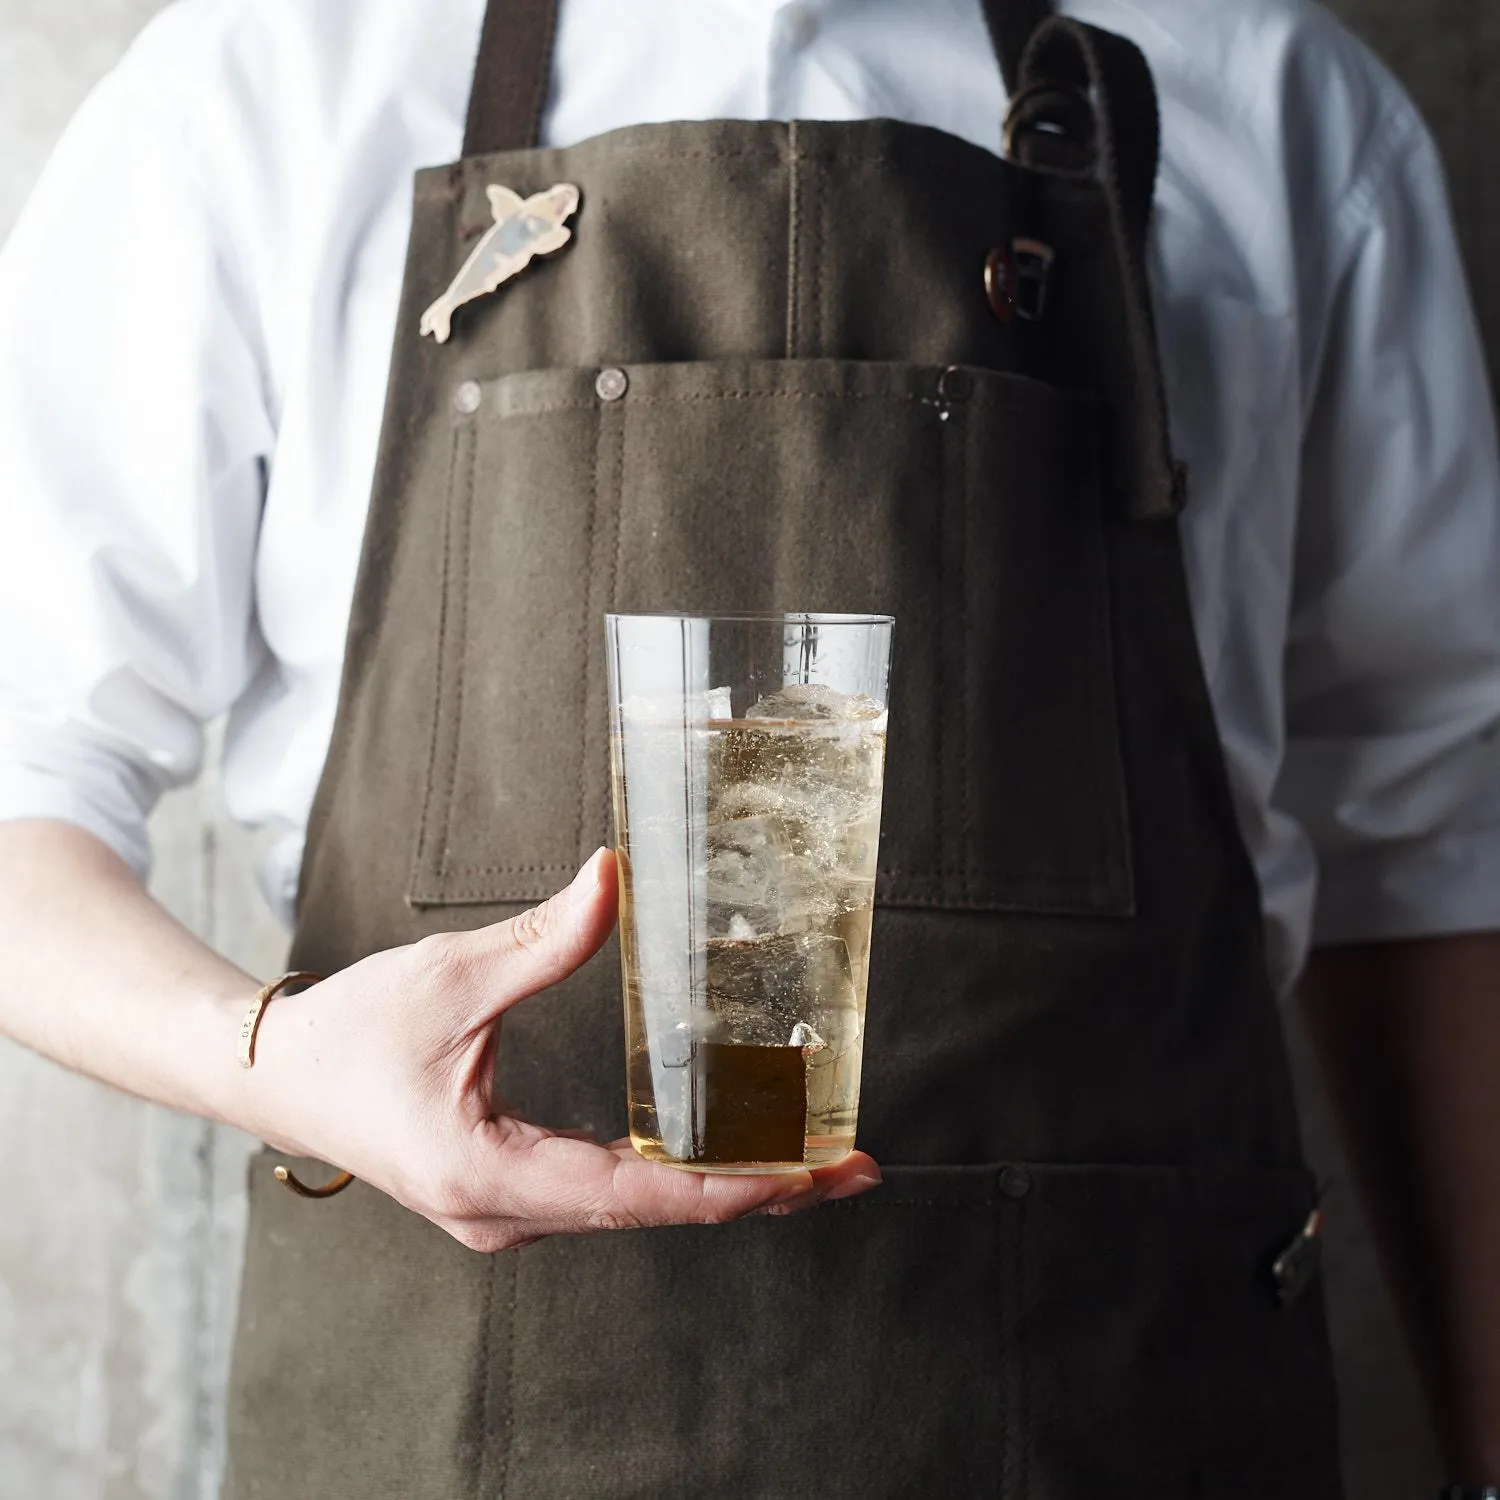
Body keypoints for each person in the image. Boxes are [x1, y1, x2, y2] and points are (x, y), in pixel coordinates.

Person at [1, 0, 1497, 1494]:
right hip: (439, 1416)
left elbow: (1438, 841)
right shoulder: (266, 85)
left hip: (1129, 1407)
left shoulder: (1275, 98)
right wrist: (271, 1058)